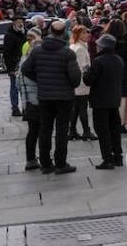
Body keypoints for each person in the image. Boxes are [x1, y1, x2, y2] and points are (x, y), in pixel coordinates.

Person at [21, 19, 81, 175]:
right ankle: (61, 163)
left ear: (49, 32)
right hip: (64, 97)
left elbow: (26, 69)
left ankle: (46, 163)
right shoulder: (68, 53)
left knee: (45, 129)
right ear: (63, 34)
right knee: (62, 130)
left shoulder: (37, 50)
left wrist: (39, 79)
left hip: (45, 96)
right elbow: (75, 79)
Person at [83, 33, 125, 169]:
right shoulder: (118, 59)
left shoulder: (98, 61)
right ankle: (118, 156)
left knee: (102, 130)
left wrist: (85, 71)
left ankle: (107, 159)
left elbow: (89, 80)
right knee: (114, 129)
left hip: (100, 100)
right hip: (114, 99)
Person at [19, 28, 43, 171]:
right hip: (38, 100)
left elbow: (18, 84)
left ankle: (30, 159)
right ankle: (43, 157)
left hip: (27, 102)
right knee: (41, 131)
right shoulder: (34, 65)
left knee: (32, 132)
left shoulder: (23, 62)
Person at [68, 25, 95, 142]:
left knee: (76, 108)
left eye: (87, 33)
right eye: (84, 33)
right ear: (77, 35)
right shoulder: (79, 48)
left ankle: (72, 131)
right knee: (82, 108)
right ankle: (86, 131)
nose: (87, 35)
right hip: (81, 82)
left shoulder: (74, 46)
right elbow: (82, 67)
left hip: (76, 82)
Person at [110, 18, 127, 131]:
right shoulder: (125, 42)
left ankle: (115, 122)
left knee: (114, 98)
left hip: (111, 72)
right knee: (125, 99)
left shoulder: (107, 40)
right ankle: (122, 122)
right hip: (125, 72)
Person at [3, 13, 27, 117]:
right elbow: (7, 53)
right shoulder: (9, 35)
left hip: (25, 64)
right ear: (14, 23)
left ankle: (25, 108)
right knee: (14, 87)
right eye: (18, 22)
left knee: (24, 88)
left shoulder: (25, 33)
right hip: (15, 65)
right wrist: (10, 68)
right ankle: (15, 108)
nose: (20, 24)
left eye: (21, 22)